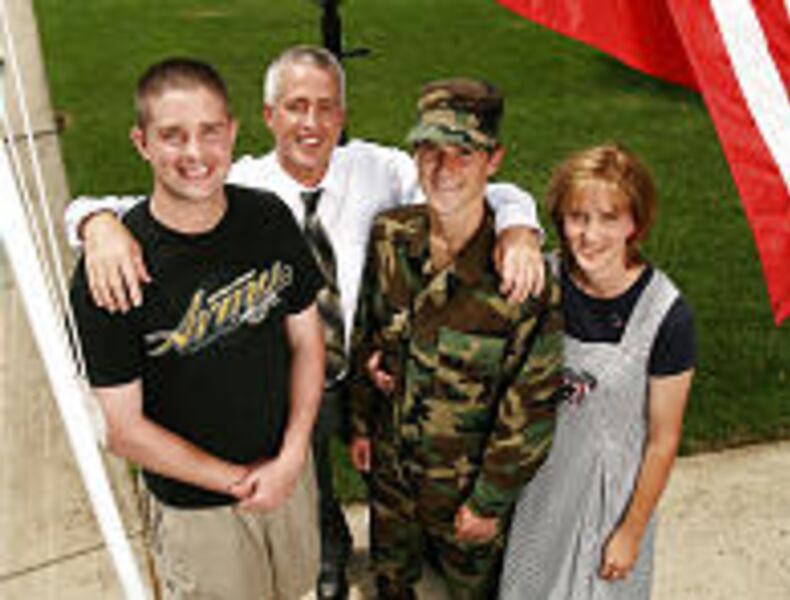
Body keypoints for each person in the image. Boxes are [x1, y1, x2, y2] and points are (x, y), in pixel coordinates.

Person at [64, 45, 546, 599]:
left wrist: (518, 227)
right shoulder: (241, 184)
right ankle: (329, 562)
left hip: (368, 367)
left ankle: (426, 547)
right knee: (306, 489)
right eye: (296, 106)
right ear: (269, 117)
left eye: (326, 108)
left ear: (342, 116)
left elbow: (473, 184)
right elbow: (141, 208)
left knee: (397, 473)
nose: (311, 123)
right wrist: (95, 222)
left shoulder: (380, 168)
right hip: (289, 372)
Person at [69, 58, 326, 599]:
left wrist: (294, 455)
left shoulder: (268, 218)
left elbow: (306, 339)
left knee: (300, 589)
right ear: (141, 142)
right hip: (199, 512)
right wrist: (239, 484)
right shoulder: (112, 270)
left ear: (232, 132)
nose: (194, 154)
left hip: (288, 475)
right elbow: (122, 428)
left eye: (210, 132)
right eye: (172, 136)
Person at [347, 78, 564, 600]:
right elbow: (366, 331)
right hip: (393, 480)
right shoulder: (391, 236)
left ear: (493, 160)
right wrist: (360, 424)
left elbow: (531, 404)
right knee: (391, 584)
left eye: (463, 153)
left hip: (465, 494)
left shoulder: (521, 279)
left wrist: (490, 501)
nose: (443, 169)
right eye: (429, 150)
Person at [499, 144, 696, 599]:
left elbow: (663, 440)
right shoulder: (541, 283)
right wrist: (517, 233)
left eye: (609, 218)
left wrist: (631, 531)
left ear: (635, 223)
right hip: (540, 489)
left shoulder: (666, 315)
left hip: (610, 498)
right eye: (577, 217)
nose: (590, 235)